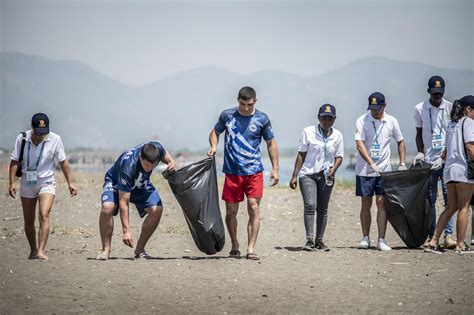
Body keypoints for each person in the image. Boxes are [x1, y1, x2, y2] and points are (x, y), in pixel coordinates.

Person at [208, 86, 279, 260]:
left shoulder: (262, 118)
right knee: (231, 211)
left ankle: (251, 248)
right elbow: (215, 132)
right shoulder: (227, 116)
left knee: (254, 207)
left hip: (254, 171)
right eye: (242, 104)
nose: (246, 108)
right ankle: (234, 245)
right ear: (237, 100)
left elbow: (271, 143)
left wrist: (275, 169)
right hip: (232, 172)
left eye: (249, 104)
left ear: (255, 101)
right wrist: (214, 145)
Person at [8, 113, 77, 260]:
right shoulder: (22, 138)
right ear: (32, 128)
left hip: (46, 181)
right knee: (28, 221)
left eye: (44, 132)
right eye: (39, 133)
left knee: (44, 215)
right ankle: (33, 250)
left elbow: (63, 162)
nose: (42, 135)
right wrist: (12, 182)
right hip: (27, 182)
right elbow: (14, 161)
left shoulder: (55, 139)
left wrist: (70, 182)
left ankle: (41, 250)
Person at [96, 141, 176, 260]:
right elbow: (124, 202)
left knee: (157, 209)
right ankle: (105, 249)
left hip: (139, 183)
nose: (148, 169)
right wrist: (126, 231)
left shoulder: (156, 149)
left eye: (152, 166)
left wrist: (171, 162)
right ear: (140, 157)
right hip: (116, 182)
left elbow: (164, 153)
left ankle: (140, 249)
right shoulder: (128, 166)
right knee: (107, 208)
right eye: (146, 165)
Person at [355, 92, 406, 251]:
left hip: (384, 171)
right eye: (372, 108)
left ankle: (381, 239)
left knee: (382, 203)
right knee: (366, 203)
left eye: (378, 108)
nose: (375, 111)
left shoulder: (392, 121)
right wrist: (371, 163)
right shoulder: (362, 120)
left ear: (385, 106)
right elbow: (359, 144)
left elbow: (400, 141)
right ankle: (365, 237)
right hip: (364, 170)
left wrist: (402, 162)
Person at [289, 104, 344, 252]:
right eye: (323, 118)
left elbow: (339, 156)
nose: (326, 121)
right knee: (310, 205)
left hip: (327, 176)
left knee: (323, 208)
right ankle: (309, 240)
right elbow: (301, 154)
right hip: (308, 174)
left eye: (330, 119)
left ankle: (320, 240)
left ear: (334, 119)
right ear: (318, 118)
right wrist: (294, 176)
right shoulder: (308, 132)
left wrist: (334, 168)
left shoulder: (337, 135)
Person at [426, 95, 474, 254]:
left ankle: (433, 241)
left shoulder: (451, 124)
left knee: (451, 206)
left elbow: (446, 151)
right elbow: (470, 147)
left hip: (449, 171)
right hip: (463, 170)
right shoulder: (468, 123)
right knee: (464, 207)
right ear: (468, 109)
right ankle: (460, 245)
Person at [413, 75, 456, 249]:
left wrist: (444, 157)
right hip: (429, 162)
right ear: (429, 92)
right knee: (430, 200)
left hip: (446, 161)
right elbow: (418, 133)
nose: (437, 96)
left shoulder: (451, 108)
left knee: (449, 199)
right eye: (434, 93)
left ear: (443, 91)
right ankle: (432, 235)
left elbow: (453, 136)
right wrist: (421, 153)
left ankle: (449, 235)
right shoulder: (420, 108)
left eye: (440, 93)